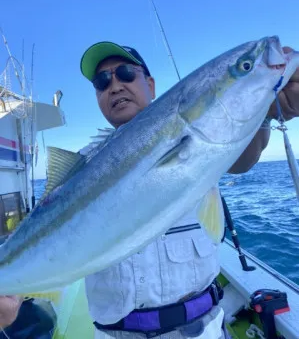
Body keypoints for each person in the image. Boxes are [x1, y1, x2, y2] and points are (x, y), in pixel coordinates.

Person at [1, 42, 299, 338]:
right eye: (102, 82)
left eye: (126, 73)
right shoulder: (82, 166)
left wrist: (266, 113)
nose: (114, 86)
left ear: (151, 84)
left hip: (203, 328)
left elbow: (241, 161)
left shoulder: (206, 147)